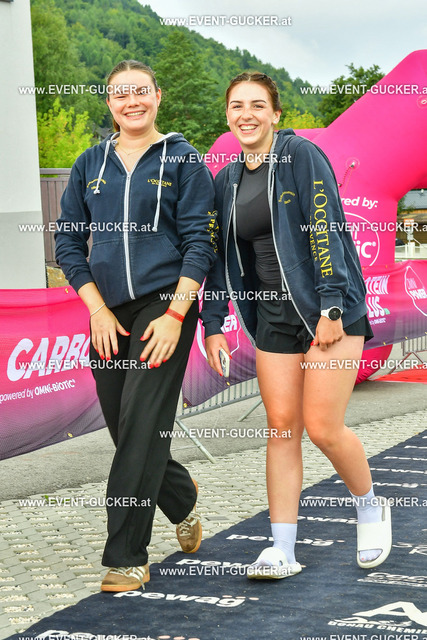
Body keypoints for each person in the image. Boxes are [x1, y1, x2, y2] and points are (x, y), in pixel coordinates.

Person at [201, 72, 392, 579]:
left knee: (324, 428)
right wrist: (213, 322)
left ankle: (370, 506)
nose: (247, 114)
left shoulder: (301, 156)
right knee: (282, 427)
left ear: (275, 114)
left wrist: (331, 307)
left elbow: (325, 227)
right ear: (227, 115)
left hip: (327, 309)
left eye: (257, 105)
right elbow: (218, 259)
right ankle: (282, 549)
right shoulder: (225, 181)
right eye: (237, 105)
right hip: (273, 318)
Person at [55, 60, 218, 592]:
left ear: (157, 96)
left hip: (165, 304)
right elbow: (67, 242)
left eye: (141, 92)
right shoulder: (89, 163)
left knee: (142, 427)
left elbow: (200, 243)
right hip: (107, 311)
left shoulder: (184, 160)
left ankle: (127, 556)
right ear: (109, 103)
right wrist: (96, 309)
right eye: (121, 94)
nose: (132, 102)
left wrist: (176, 315)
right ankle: (182, 497)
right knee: (129, 431)